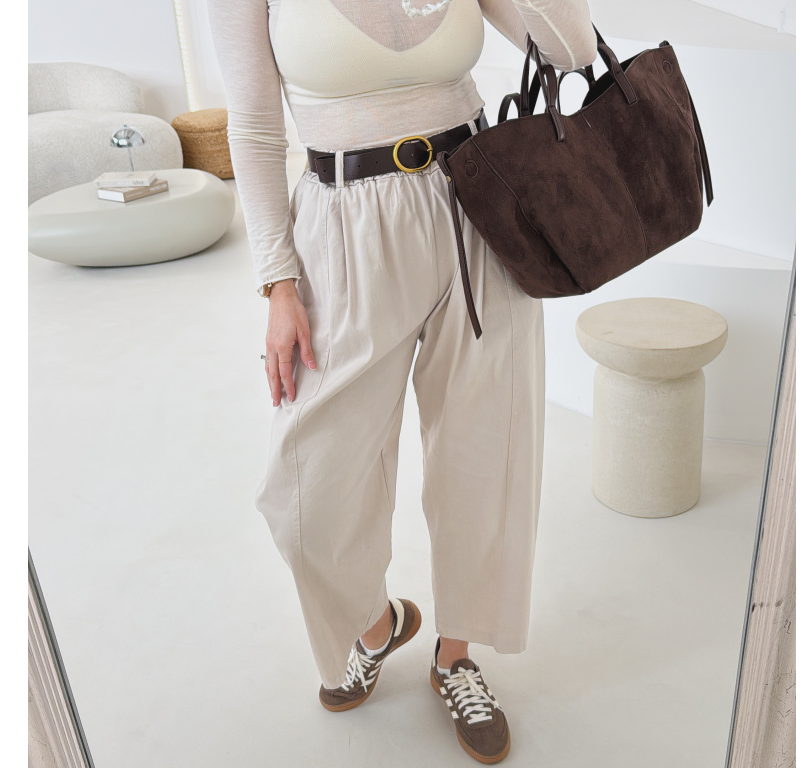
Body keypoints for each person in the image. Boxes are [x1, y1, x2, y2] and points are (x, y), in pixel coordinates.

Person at [208, 0, 596, 762]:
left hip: (478, 205)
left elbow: (571, 47)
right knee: (306, 496)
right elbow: (253, 128)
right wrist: (278, 281)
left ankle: (456, 655)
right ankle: (377, 625)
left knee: (485, 453)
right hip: (341, 225)